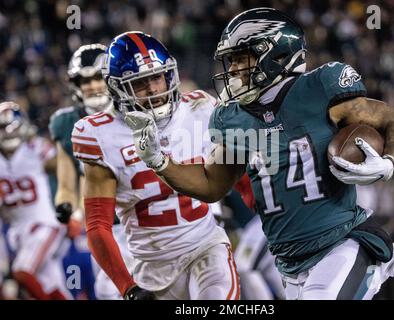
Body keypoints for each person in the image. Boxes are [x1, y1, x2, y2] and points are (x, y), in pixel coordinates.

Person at [124, 8, 394, 300]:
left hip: (342, 242)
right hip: (289, 264)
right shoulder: (232, 117)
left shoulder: (319, 88)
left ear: (276, 53)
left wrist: (388, 161)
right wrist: (159, 161)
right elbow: (211, 184)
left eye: (242, 57)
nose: (234, 68)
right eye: (232, 60)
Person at [71, 31, 239, 300]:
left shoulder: (199, 108)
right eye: (140, 83)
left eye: (157, 77)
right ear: (117, 88)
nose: (153, 90)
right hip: (149, 267)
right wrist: (128, 288)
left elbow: (232, 174)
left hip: (205, 247)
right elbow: (97, 225)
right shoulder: (99, 134)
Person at [49, 43, 134, 300]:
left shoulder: (133, 112)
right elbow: (66, 184)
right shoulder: (65, 123)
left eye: (98, 77)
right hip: (103, 227)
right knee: (108, 292)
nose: (92, 86)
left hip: (141, 217)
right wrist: (64, 206)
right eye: (84, 80)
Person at [0, 101, 71, 300]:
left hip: (44, 225)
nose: (6, 133)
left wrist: (73, 208)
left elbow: (66, 170)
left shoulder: (35, 148)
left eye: (9, 127)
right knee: (51, 286)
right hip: (18, 232)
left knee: (22, 273)